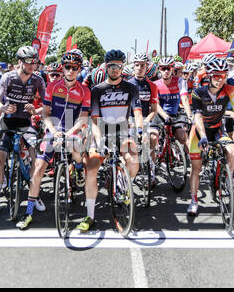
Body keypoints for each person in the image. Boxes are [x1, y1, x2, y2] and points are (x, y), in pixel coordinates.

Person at [16, 50, 91, 229]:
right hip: (54, 129)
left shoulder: (84, 91)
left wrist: (69, 133)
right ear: (63, 67)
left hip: (73, 129)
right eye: (67, 67)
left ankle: (79, 168)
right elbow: (46, 114)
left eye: (75, 68)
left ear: (80, 69)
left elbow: (83, 117)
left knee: (75, 146)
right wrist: (54, 131)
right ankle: (29, 212)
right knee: (38, 169)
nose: (70, 71)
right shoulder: (52, 87)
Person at [77, 49, 145, 232]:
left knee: (134, 162)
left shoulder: (131, 88)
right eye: (112, 66)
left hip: (122, 131)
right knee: (91, 168)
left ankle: (123, 185)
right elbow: (94, 120)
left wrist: (139, 130)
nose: (115, 70)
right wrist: (99, 141)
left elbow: (137, 112)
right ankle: (90, 216)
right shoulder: (97, 90)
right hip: (102, 132)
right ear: (106, 67)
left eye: (119, 66)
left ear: (123, 67)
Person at [0, 45, 46, 217]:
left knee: (35, 158)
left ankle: (34, 196)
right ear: (20, 62)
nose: (32, 65)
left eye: (35, 62)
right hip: (8, 121)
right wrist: (4, 108)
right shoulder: (8, 77)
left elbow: (47, 105)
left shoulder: (38, 80)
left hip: (25, 122)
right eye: (29, 62)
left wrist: (35, 111)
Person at [187, 58, 234, 215]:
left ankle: (227, 178)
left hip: (217, 129)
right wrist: (203, 137)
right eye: (216, 76)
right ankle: (194, 200)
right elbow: (198, 116)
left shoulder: (230, 89)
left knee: (233, 151)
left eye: (223, 76)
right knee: (196, 167)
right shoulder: (198, 93)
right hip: (199, 132)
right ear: (209, 76)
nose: (220, 80)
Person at [128, 53, 159, 185]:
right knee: (130, 143)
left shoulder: (152, 86)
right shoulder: (127, 85)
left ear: (147, 67)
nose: (140, 68)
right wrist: (129, 121)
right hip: (130, 119)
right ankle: (132, 170)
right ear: (133, 67)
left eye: (143, 65)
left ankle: (151, 168)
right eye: (137, 65)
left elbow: (155, 110)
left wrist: (146, 121)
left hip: (147, 118)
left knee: (152, 137)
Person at [154, 57, 191, 154]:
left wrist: (190, 116)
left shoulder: (180, 81)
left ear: (172, 69)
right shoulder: (155, 85)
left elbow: (185, 99)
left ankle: (176, 148)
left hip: (175, 114)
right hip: (161, 114)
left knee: (182, 137)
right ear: (159, 70)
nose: (166, 71)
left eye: (168, 68)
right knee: (153, 138)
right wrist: (165, 116)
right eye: (163, 69)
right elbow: (156, 105)